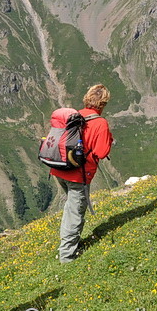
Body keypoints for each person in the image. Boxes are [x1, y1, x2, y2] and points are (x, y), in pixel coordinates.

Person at [52, 84, 114, 263]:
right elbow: (102, 152)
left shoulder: (75, 115)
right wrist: (109, 138)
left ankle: (69, 243)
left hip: (59, 169)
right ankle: (67, 257)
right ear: (103, 103)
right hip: (78, 175)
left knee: (71, 208)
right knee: (75, 212)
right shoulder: (100, 123)